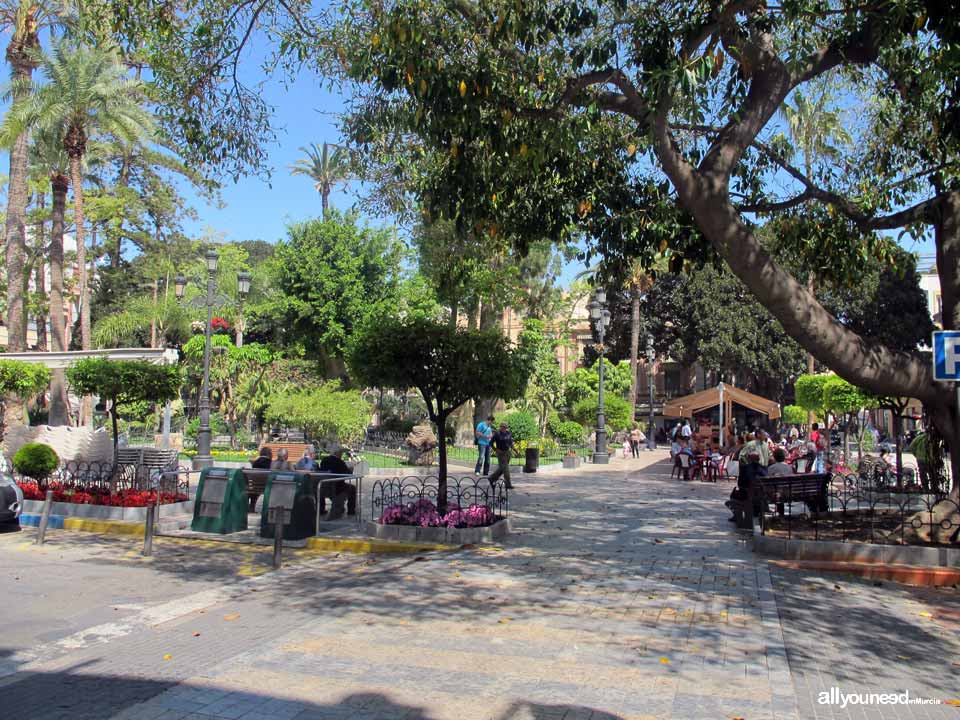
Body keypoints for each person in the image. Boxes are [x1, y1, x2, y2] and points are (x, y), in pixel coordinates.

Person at [317, 448, 357, 518]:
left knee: (334, 487)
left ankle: (322, 509)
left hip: (323, 486)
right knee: (353, 488)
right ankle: (351, 511)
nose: (341, 455)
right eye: (341, 453)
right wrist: (351, 468)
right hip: (337, 487)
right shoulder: (340, 462)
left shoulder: (324, 460)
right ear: (337, 453)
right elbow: (348, 474)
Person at [488, 422, 515, 489]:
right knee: (506, 469)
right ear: (500, 427)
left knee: (502, 468)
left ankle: (492, 478)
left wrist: (515, 450)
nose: (504, 428)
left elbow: (511, 443)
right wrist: (496, 449)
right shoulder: (497, 434)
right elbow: (490, 443)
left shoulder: (509, 433)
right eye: (502, 427)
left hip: (507, 452)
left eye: (505, 427)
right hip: (501, 453)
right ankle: (508, 484)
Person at [248, 446, 273, 512]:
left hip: (255, 486)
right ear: (269, 454)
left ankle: (252, 506)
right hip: (266, 486)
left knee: (255, 487)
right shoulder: (270, 462)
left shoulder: (255, 462)